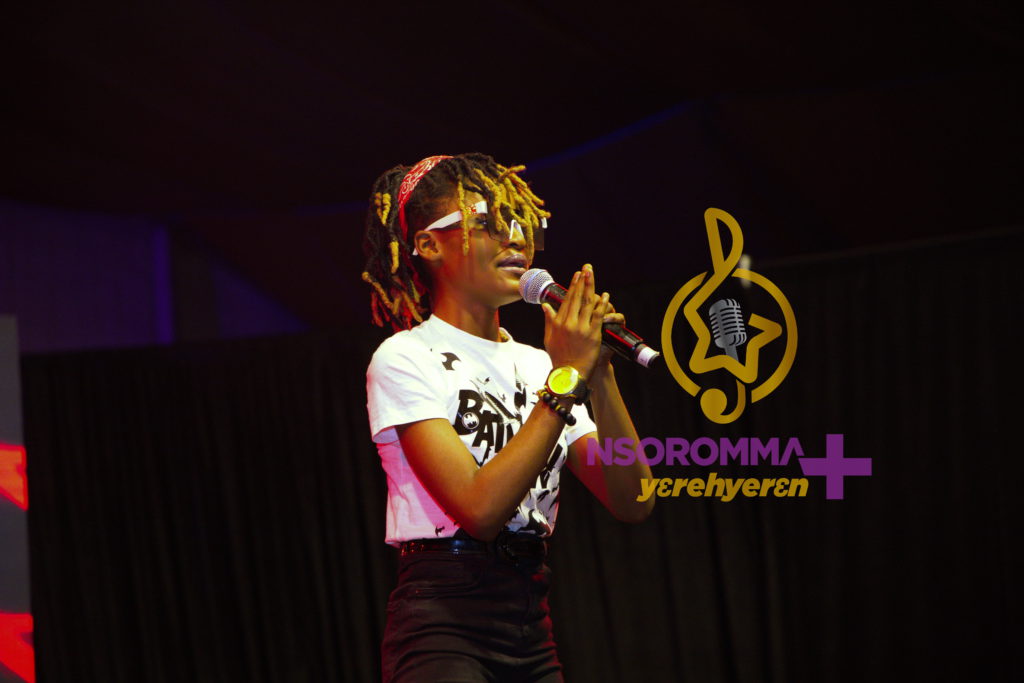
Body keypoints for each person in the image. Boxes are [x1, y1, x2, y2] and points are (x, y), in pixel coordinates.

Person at [363, 153, 654, 682]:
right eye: (487, 222)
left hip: (529, 617)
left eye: (521, 223)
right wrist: (567, 379)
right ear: (429, 244)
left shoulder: (541, 365)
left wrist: (599, 374)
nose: (515, 237)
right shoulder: (405, 357)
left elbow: (632, 499)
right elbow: (479, 510)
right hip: (444, 618)